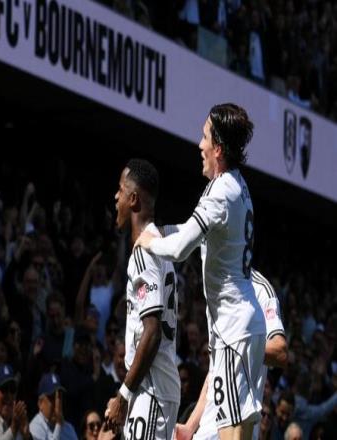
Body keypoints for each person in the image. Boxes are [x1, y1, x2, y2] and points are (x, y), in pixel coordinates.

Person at [136, 104, 266, 439]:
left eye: (205, 136)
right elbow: (190, 231)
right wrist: (160, 231)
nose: (199, 144)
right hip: (236, 328)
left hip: (235, 328)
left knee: (231, 434)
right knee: (233, 431)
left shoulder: (221, 193)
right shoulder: (235, 186)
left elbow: (180, 250)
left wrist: (147, 241)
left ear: (218, 148)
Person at [105, 159, 180, 440]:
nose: (116, 197)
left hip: (152, 390)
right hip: (156, 389)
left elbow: (152, 332)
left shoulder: (143, 253)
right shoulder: (158, 245)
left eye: (120, 190)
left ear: (133, 199)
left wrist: (123, 395)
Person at [175, 269, 288, 439]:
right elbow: (215, 370)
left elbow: (280, 351)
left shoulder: (261, 289)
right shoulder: (215, 286)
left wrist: (236, 345)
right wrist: (190, 427)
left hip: (239, 426)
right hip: (207, 428)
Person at [29, 373, 77, 440]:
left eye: (59, 397)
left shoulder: (69, 428)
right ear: (40, 403)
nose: (57, 403)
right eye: (52, 398)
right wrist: (58, 424)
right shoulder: (35, 427)